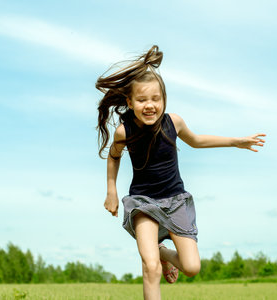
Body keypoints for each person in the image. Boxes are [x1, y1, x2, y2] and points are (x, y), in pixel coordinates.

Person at [96, 45, 266, 300]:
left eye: (156, 99)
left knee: (191, 267)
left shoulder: (173, 122)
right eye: (142, 100)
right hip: (142, 202)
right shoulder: (125, 132)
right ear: (130, 102)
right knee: (149, 267)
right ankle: (156, 256)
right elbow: (113, 157)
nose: (150, 105)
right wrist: (112, 191)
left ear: (164, 100)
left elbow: (196, 141)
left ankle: (165, 254)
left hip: (175, 201)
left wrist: (235, 141)